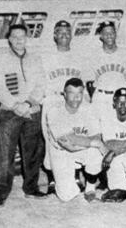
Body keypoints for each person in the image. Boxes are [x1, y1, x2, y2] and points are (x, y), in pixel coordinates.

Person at [0, 24, 47, 207]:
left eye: (21, 37)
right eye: (14, 37)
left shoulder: (36, 59)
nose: (18, 40)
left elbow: (41, 84)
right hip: (9, 111)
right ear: (9, 39)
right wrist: (15, 105)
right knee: (5, 155)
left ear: (27, 38)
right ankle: (0, 196)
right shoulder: (0, 60)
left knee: (32, 153)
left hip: (32, 110)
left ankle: (31, 188)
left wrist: (29, 103)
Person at [41, 20, 86, 195]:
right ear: (54, 35)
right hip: (54, 101)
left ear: (71, 35)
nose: (64, 35)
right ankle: (53, 178)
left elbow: (84, 82)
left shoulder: (78, 57)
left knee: (74, 136)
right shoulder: (47, 57)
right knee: (52, 140)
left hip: (73, 102)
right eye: (60, 32)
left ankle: (75, 176)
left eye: (67, 32)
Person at [45, 78, 106, 202]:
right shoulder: (54, 111)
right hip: (61, 152)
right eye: (71, 93)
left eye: (79, 93)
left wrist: (90, 143)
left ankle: (90, 186)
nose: (76, 97)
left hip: (81, 148)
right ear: (64, 94)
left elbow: (96, 136)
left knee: (96, 153)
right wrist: (93, 143)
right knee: (67, 196)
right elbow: (68, 145)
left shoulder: (89, 109)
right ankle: (68, 179)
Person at [85, 20, 126, 117]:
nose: (109, 35)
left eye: (111, 32)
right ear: (101, 37)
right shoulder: (93, 56)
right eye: (105, 33)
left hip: (121, 98)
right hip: (101, 98)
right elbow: (90, 83)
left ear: (115, 34)